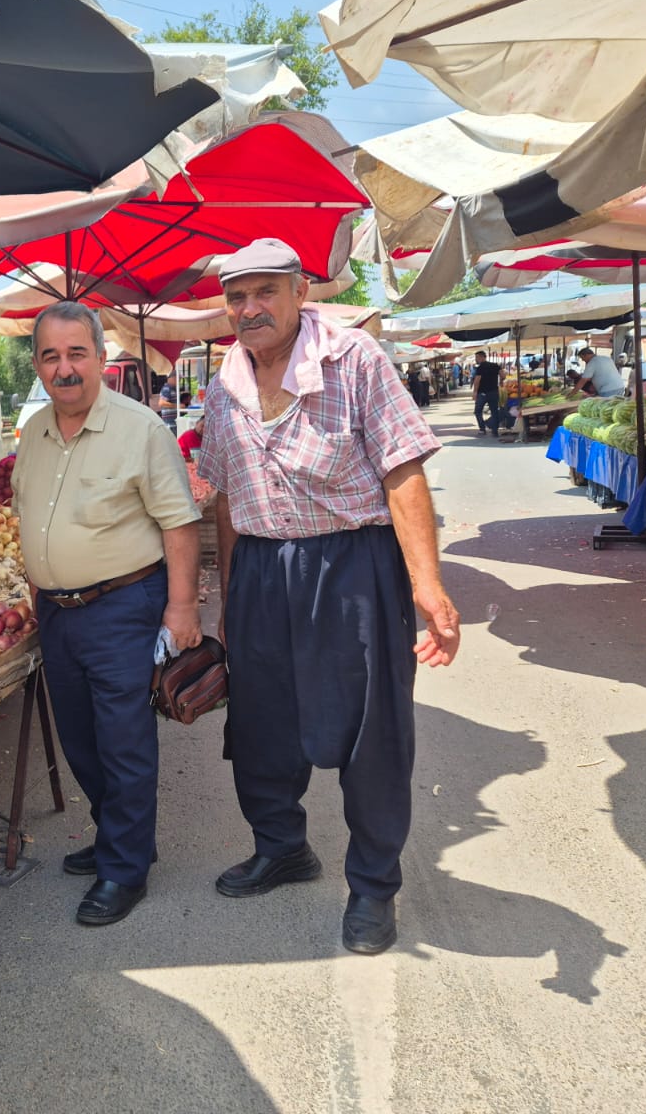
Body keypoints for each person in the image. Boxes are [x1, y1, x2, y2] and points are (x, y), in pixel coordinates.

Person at [195, 238, 460, 955]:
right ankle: (281, 846)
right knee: (259, 721)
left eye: (265, 292)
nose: (250, 308)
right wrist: (226, 590)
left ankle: (374, 885)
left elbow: (404, 471)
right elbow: (222, 493)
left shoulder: (354, 359)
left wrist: (428, 586)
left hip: (351, 566)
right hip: (258, 568)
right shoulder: (224, 383)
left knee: (370, 730)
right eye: (237, 296)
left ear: (300, 291)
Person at [11, 301, 202, 927]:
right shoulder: (34, 431)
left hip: (124, 604)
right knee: (80, 738)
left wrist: (181, 608)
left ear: (99, 356)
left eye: (76, 353)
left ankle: (125, 870)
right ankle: (120, 835)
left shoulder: (140, 428)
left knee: (123, 742)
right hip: (56, 614)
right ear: (37, 364)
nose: (64, 368)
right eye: (50, 356)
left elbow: (179, 522)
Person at [471, 350, 503, 437]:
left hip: (482, 393)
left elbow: (477, 380)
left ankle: (482, 429)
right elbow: (503, 375)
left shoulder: (480, 367)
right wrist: (501, 382)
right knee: (494, 411)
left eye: (477, 357)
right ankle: (495, 431)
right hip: (494, 392)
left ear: (482, 357)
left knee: (478, 411)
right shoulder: (495, 365)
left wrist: (475, 392)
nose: (476, 359)